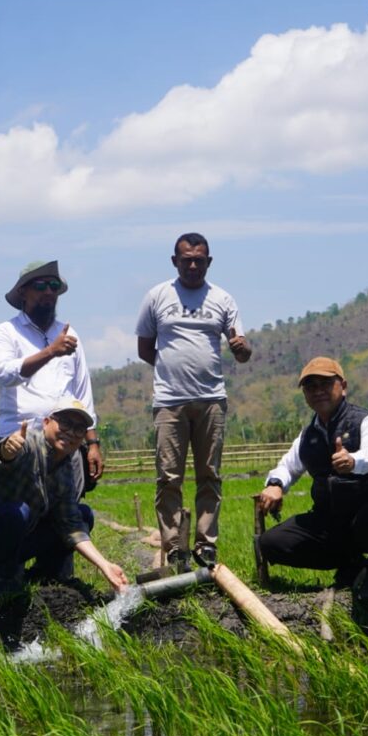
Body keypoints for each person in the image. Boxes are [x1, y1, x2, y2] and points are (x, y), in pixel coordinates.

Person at [136, 233, 251, 567]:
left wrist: (242, 350)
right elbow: (145, 348)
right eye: (186, 258)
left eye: (199, 259)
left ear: (208, 262)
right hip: (170, 402)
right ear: (175, 261)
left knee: (209, 474)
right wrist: (173, 372)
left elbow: (240, 348)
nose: (192, 264)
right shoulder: (157, 296)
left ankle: (205, 545)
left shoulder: (223, 299)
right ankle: (172, 546)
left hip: (211, 399)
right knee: (168, 477)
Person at [255, 357, 368, 600]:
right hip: (333, 523)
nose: (318, 391)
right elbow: (288, 466)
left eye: (325, 384)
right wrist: (275, 485)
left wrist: (353, 461)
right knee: (272, 542)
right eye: (311, 386)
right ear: (305, 394)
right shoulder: (308, 435)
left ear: (343, 386)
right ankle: (352, 566)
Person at [0, 397, 129, 599]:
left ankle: (47, 577)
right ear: (46, 422)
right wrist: (8, 450)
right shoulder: (28, 445)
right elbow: (6, 457)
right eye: (65, 423)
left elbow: (71, 526)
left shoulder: (65, 470)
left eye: (79, 429)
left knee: (82, 515)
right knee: (18, 512)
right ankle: (2, 578)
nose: (71, 432)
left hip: (17, 538)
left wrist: (105, 565)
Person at [0, 260, 102, 493]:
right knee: (21, 509)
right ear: (22, 292)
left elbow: (82, 393)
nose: (49, 292)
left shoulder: (69, 334)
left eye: (53, 286)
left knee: (68, 511)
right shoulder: (6, 332)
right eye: (40, 286)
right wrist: (51, 352)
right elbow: (5, 374)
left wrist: (92, 443)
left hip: (65, 440)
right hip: (21, 439)